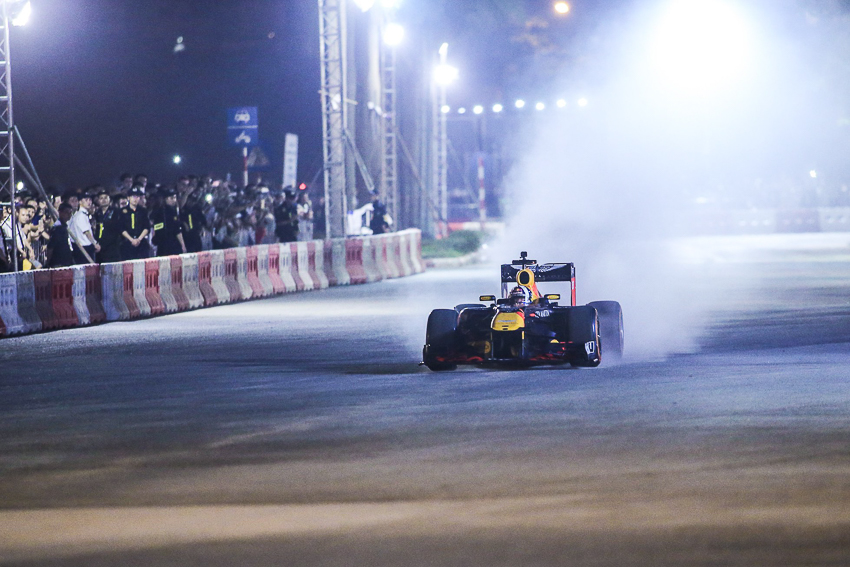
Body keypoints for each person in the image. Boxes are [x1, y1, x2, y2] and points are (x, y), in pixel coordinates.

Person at [151, 189, 187, 256]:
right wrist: (183, 245)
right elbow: (176, 230)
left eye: (175, 198)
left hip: (167, 244)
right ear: (166, 199)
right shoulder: (161, 211)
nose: (174, 200)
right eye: (171, 198)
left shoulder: (173, 210)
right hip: (165, 244)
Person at [118, 187, 151, 260]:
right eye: (133, 196)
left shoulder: (143, 211)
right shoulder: (122, 211)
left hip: (141, 243)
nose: (135, 199)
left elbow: (146, 227)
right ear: (128, 198)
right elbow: (121, 228)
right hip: (127, 243)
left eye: (137, 197)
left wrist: (138, 239)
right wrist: (131, 240)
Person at [68, 192, 99, 264]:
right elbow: (86, 232)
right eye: (86, 200)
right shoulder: (80, 215)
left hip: (82, 247)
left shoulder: (82, 214)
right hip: (84, 248)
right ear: (80, 202)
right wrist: (95, 244)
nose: (89, 202)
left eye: (90, 200)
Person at [93, 189, 122, 263]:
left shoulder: (116, 212)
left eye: (106, 198)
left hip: (112, 247)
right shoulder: (96, 214)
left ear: (110, 199)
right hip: (99, 247)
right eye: (101, 198)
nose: (103, 200)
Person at [45, 203, 75, 268]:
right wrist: (48, 261)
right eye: (66, 212)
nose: (69, 215)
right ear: (60, 212)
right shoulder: (57, 228)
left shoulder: (65, 226)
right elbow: (51, 246)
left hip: (67, 260)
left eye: (70, 213)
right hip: (58, 262)